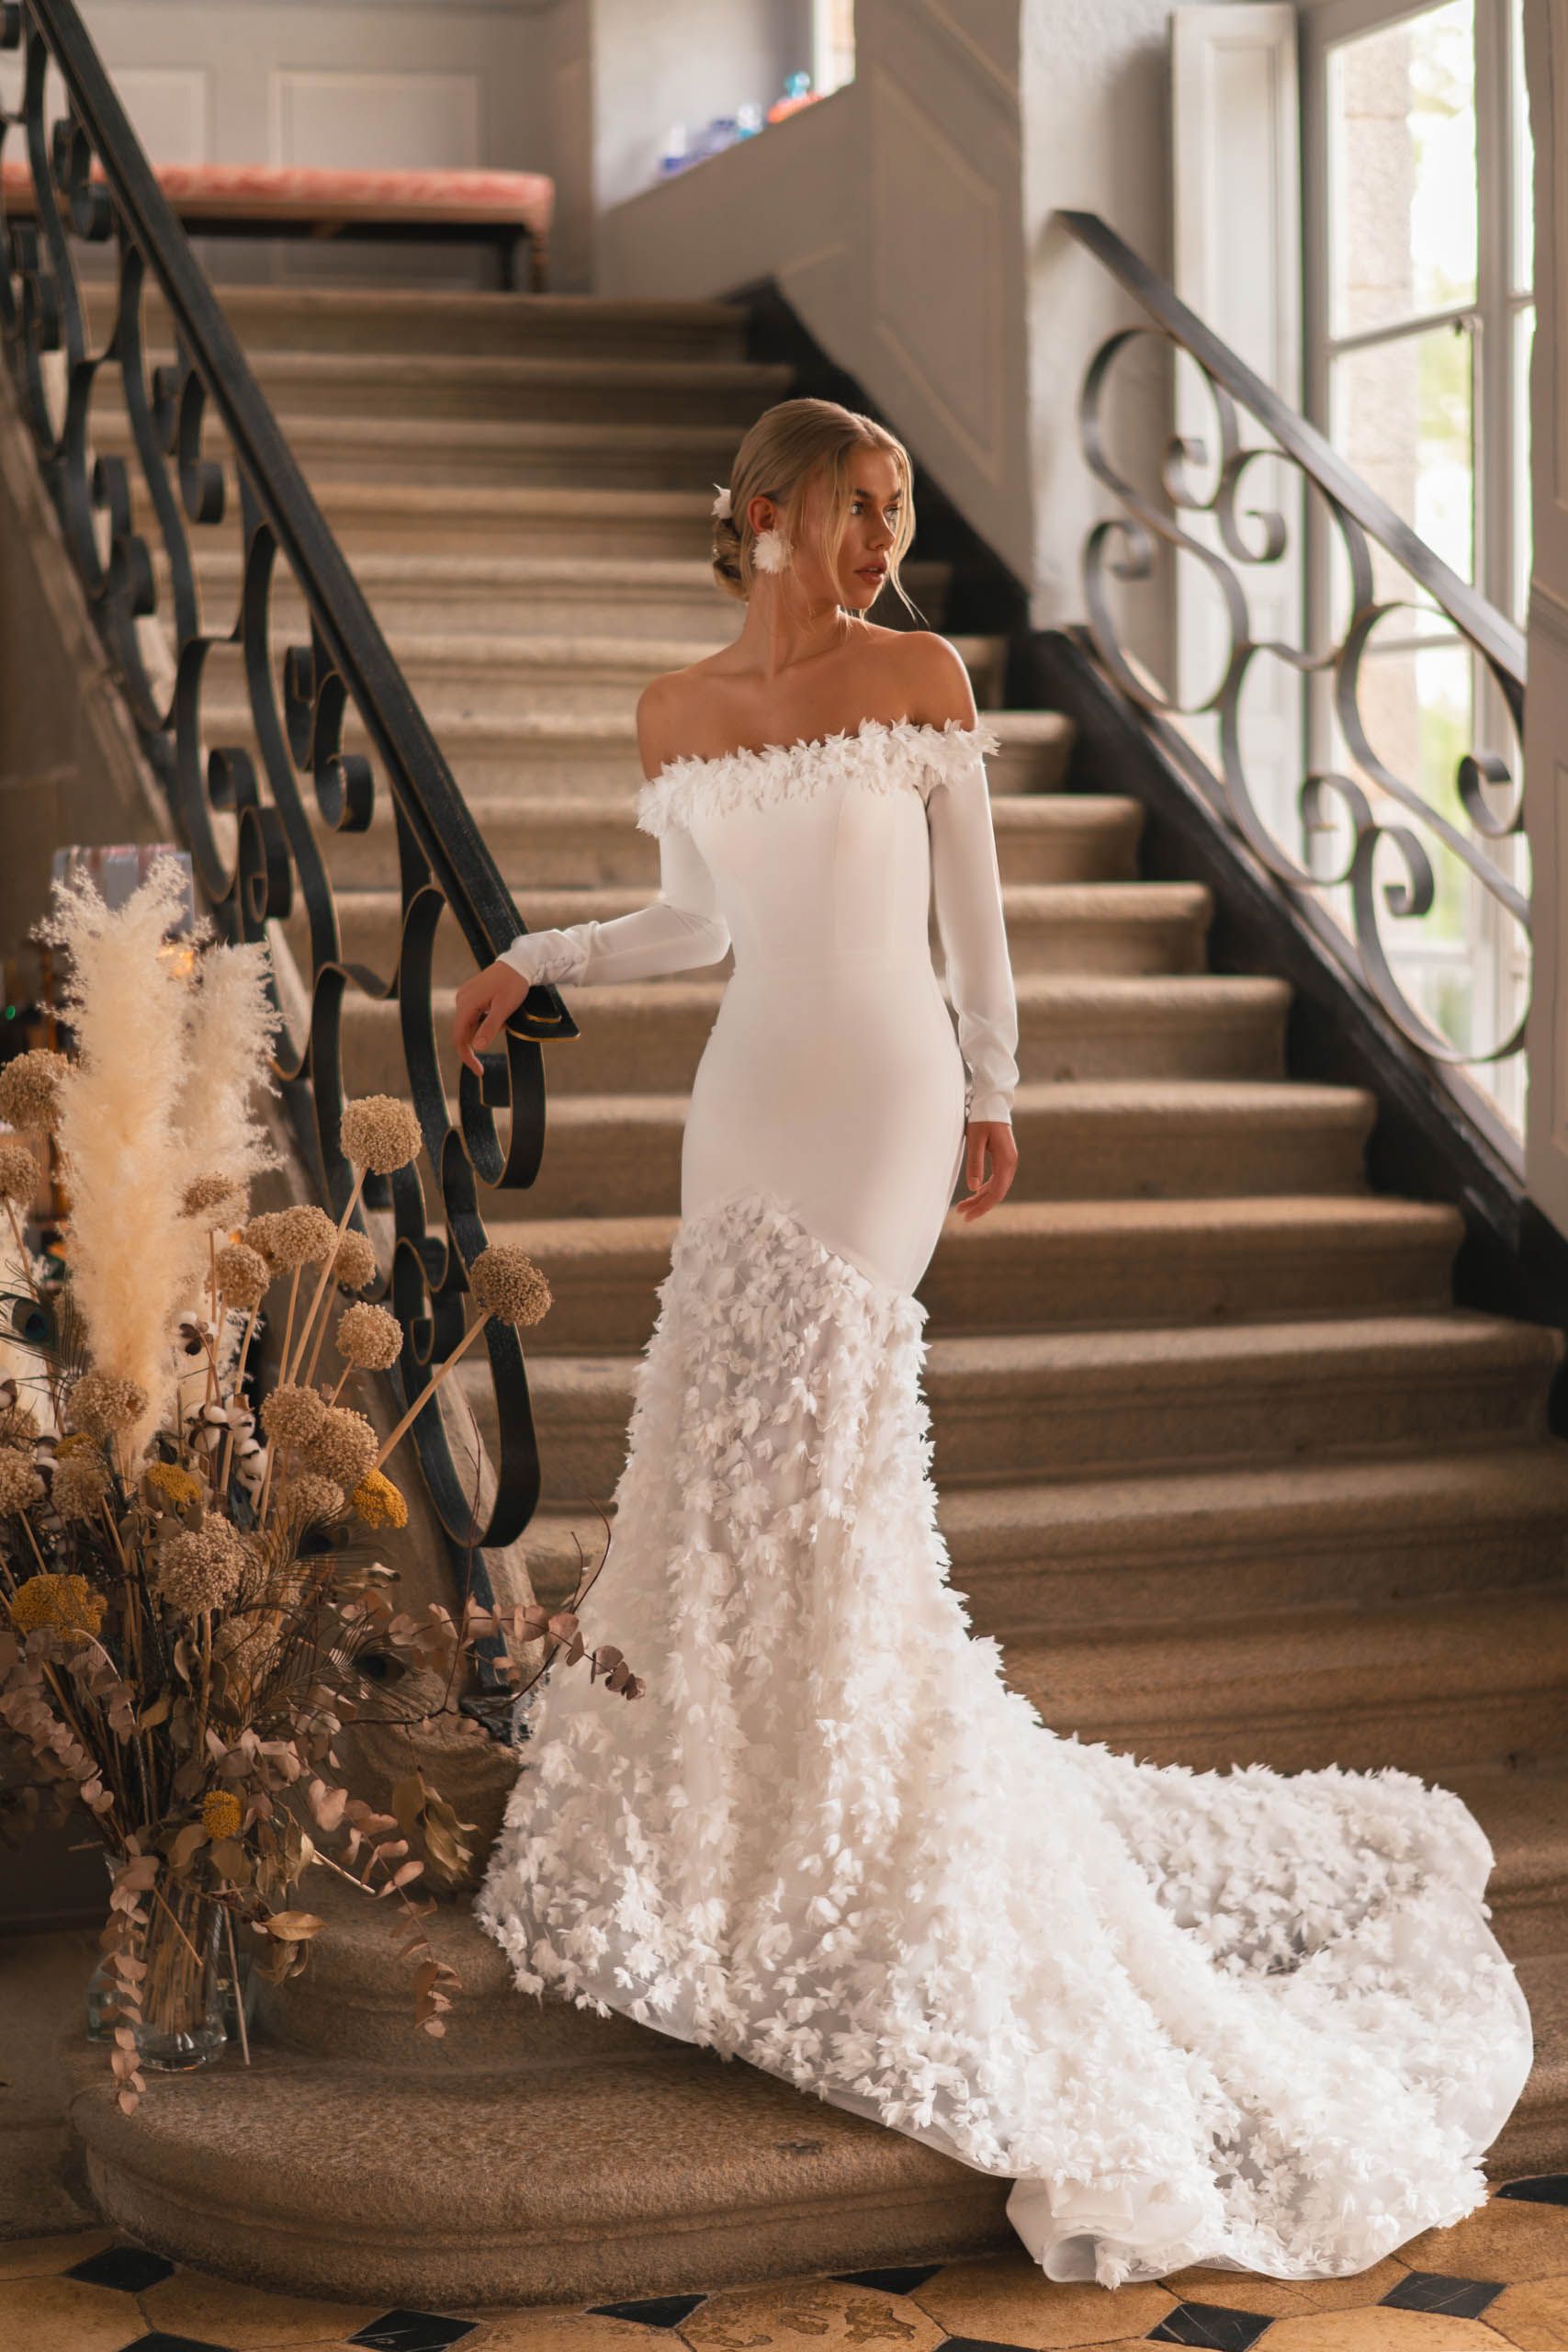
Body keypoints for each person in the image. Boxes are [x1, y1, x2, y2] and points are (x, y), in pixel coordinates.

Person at [455, 398, 1532, 2290]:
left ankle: (856, 1801)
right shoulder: (675, 711)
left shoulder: (922, 671)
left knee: (823, 1434)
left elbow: (971, 912)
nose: (881, 536)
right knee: (709, 1441)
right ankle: (729, 1787)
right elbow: (690, 926)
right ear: (766, 508)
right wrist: (534, 959)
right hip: (743, 1105)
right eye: (853, 509)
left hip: (882, 1091)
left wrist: (997, 1082)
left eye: (894, 507)